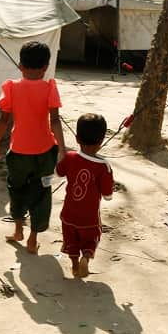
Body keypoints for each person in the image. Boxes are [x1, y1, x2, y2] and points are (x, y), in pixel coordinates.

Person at [0, 40, 66, 255]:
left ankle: (17, 230)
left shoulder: (11, 87)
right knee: (42, 192)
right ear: (45, 67)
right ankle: (32, 239)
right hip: (45, 152)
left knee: (17, 189)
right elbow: (55, 121)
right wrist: (62, 148)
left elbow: (3, 121)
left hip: (18, 153)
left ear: (20, 65)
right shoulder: (50, 87)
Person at [56, 113, 114, 279]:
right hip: (89, 218)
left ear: (77, 138)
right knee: (90, 240)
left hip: (68, 213)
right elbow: (108, 194)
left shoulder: (70, 157)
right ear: (101, 141)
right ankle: (86, 259)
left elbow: (58, 172)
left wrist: (65, 159)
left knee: (71, 240)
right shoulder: (104, 166)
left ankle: (74, 265)